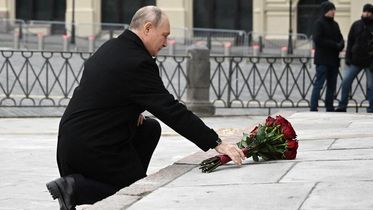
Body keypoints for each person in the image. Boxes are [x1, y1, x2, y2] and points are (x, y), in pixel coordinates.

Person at [46, 6, 245, 210]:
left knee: (150, 129)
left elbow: (105, 91)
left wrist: (132, 109)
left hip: (72, 143)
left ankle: (124, 178)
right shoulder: (137, 62)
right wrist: (216, 142)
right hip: (93, 149)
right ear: (148, 28)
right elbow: (171, 110)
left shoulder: (112, 46)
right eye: (164, 36)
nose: (166, 43)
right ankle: (74, 188)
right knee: (139, 192)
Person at [335, 3, 373, 113]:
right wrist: (348, 57)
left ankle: (371, 108)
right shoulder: (356, 25)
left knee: (371, 86)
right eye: (365, 11)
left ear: (372, 13)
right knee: (346, 82)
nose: (366, 14)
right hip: (355, 60)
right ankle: (342, 105)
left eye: (368, 12)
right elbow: (350, 42)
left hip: (370, 62)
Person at [309, 1, 344, 112]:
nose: (334, 12)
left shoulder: (335, 24)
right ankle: (313, 107)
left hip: (333, 60)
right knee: (319, 84)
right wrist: (335, 45)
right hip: (322, 60)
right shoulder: (319, 23)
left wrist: (341, 45)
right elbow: (318, 40)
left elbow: (340, 38)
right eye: (331, 10)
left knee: (331, 86)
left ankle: (330, 107)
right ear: (326, 11)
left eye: (334, 10)